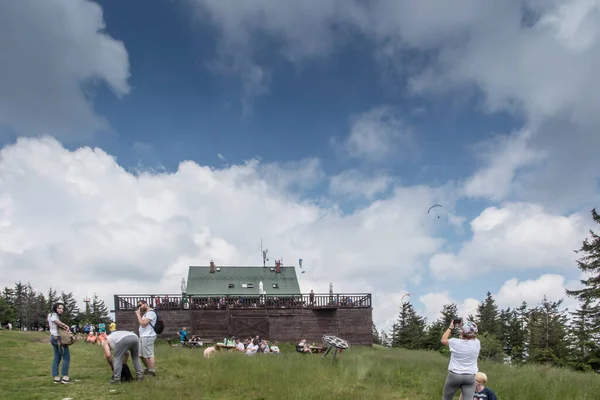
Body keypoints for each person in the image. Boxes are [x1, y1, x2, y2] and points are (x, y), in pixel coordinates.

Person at [441, 320, 481, 400]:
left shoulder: (455, 342)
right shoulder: (477, 343)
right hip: (470, 376)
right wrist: (462, 327)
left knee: (446, 398)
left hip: (454, 375)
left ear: (462, 332)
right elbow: (468, 334)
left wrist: (450, 327)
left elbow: (443, 340)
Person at [47, 302, 71, 384]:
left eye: (62, 309)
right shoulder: (54, 315)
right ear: (55, 308)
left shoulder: (49, 314)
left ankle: (56, 377)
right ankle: (65, 377)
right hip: (58, 338)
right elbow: (54, 320)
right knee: (66, 357)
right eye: (59, 308)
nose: (61, 310)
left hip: (52, 337)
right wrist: (64, 325)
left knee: (57, 357)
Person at [135, 300, 157, 376]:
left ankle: (152, 371)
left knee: (149, 354)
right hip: (143, 336)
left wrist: (138, 315)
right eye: (138, 306)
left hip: (148, 336)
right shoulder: (146, 314)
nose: (139, 307)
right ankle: (148, 368)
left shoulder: (151, 313)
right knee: (141, 354)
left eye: (140, 305)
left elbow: (143, 324)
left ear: (145, 304)